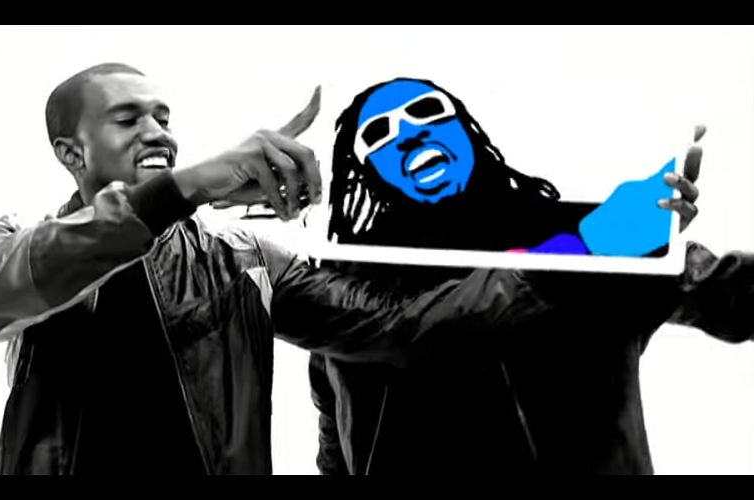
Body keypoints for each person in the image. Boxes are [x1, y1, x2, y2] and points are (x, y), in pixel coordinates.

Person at [0, 64, 563, 475]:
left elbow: (404, 325)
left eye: (163, 118)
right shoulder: (14, 240)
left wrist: (583, 244)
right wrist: (185, 188)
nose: (157, 133)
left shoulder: (243, 260)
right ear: (71, 152)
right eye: (129, 119)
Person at [309, 77, 753, 474]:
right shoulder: (346, 282)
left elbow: (728, 298)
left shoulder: (596, 233)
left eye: (425, 110)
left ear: (465, 130)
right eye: (379, 133)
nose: (409, 133)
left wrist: (653, 242)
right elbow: (335, 430)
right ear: (369, 169)